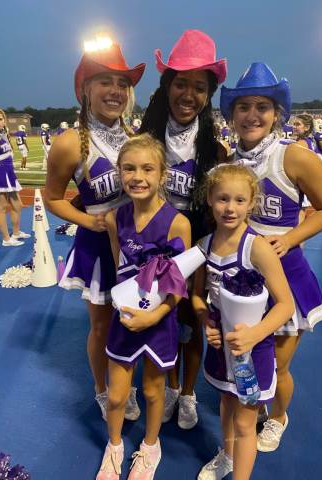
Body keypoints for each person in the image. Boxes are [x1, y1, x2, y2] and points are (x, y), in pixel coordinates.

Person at [220, 62, 322, 453]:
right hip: (242, 280)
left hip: (286, 277)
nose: (252, 115)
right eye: (243, 107)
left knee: (280, 366)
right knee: (247, 357)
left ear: (276, 114)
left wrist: (290, 238)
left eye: (262, 107)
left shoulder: (295, 157)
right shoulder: (226, 162)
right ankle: (254, 408)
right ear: (232, 114)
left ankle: (277, 418)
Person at [44, 40, 145, 421]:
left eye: (122, 83)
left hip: (135, 246)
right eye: (104, 81)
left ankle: (126, 384)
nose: (115, 91)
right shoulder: (70, 142)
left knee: (132, 320)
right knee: (101, 326)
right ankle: (103, 389)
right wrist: (91, 221)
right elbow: (52, 198)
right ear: (85, 88)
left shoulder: (134, 138)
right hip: (98, 248)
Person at [139, 29, 227, 429]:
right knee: (162, 322)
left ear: (208, 96)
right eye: (181, 84)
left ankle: (188, 392)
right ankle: (170, 384)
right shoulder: (145, 140)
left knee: (194, 321)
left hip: (197, 252)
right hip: (152, 249)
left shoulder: (216, 151)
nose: (188, 94)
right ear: (167, 86)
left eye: (199, 87)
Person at [97, 133, 191, 480]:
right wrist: (126, 307)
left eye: (148, 169)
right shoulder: (113, 219)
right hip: (125, 318)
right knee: (118, 396)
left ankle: (151, 446)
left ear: (162, 175)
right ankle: (115, 446)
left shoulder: (178, 223)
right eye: (129, 169)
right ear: (120, 173)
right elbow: (119, 267)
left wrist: (155, 314)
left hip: (159, 320)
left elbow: (178, 285)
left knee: (153, 391)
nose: (138, 176)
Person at [193, 164, 294, 480]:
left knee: (245, 420)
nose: (230, 207)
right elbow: (197, 296)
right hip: (221, 345)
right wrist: (205, 321)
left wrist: (256, 334)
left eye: (239, 200)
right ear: (209, 198)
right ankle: (227, 455)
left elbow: (286, 305)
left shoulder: (258, 247)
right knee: (226, 401)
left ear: (252, 203)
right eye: (223, 198)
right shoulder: (204, 246)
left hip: (255, 349)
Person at [0, 107, 30, 246]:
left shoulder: (4, 131)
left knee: (17, 205)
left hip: (8, 171)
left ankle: (16, 232)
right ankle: (6, 239)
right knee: (1, 207)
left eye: (0, 119)